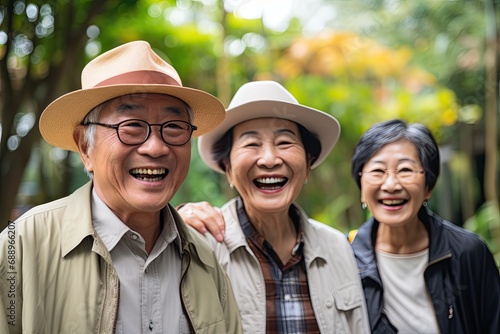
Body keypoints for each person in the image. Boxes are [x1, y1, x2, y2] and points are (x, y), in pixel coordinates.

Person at [0, 40, 242, 333]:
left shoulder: (206, 259)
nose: (155, 147)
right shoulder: (20, 245)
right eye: (131, 126)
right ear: (84, 147)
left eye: (175, 127)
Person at [178, 80, 370, 333]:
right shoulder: (201, 248)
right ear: (228, 169)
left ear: (309, 163)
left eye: (284, 143)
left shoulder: (337, 248)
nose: (269, 159)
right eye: (251, 144)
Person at [350, 119, 500, 333]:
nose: (391, 185)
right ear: (361, 184)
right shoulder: (346, 257)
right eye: (377, 171)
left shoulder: (467, 253)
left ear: (428, 186)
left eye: (405, 170)